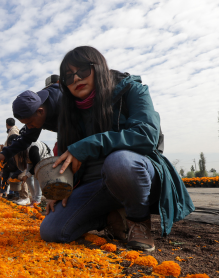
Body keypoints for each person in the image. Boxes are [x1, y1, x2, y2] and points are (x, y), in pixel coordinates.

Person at [39, 46, 194, 251]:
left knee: (120, 162)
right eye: (68, 76)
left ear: (99, 67)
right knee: (52, 231)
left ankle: (138, 222)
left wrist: (88, 144)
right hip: (95, 185)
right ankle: (110, 217)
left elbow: (146, 135)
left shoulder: (132, 90)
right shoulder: (69, 112)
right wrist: (59, 186)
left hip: (135, 174)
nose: (76, 79)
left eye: (83, 70)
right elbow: (65, 154)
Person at [0, 80, 62, 166]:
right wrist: (5, 153)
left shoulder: (64, 103)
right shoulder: (36, 113)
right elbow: (26, 138)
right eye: (26, 124)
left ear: (40, 112)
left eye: (29, 123)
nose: (29, 127)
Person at [14, 140, 53, 206]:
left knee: (36, 177)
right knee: (28, 179)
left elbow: (37, 165)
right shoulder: (24, 152)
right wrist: (27, 176)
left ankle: (37, 200)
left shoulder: (32, 149)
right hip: (32, 159)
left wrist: (26, 175)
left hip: (44, 156)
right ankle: (34, 198)